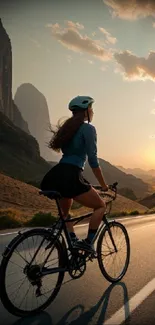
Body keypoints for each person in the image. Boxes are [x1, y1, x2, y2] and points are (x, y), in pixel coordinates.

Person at [40, 96, 108, 253]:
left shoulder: (67, 128)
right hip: (71, 175)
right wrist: (103, 185)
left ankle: (73, 241)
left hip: (56, 174)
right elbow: (93, 160)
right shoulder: (88, 129)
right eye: (91, 108)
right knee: (100, 206)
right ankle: (88, 243)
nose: (92, 111)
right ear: (86, 111)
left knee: (65, 214)